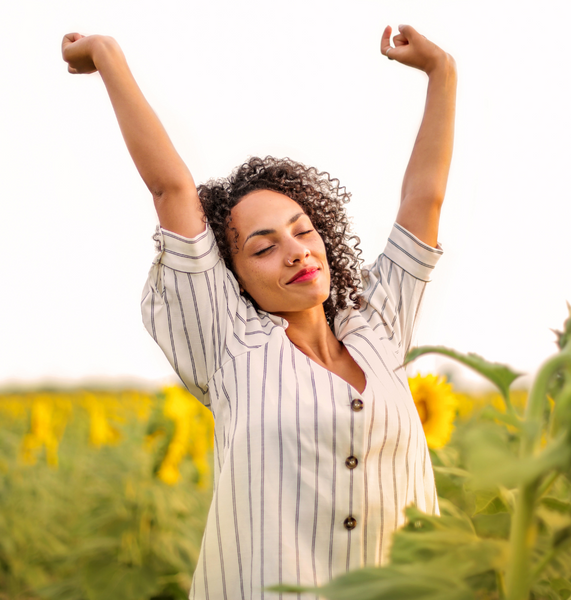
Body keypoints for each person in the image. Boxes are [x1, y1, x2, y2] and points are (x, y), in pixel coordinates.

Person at [62, 23, 456, 600]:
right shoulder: (229, 345)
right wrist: (106, 55)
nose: (296, 250)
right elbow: (172, 189)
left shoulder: (379, 327)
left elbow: (424, 199)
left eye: (303, 231)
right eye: (264, 247)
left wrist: (441, 71)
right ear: (232, 274)